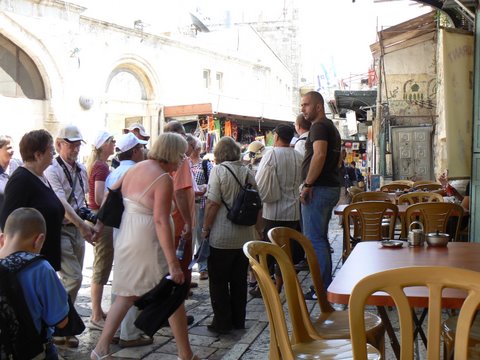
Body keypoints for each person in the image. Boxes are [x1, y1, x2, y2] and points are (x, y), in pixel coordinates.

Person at [91, 133, 198, 360]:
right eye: (180, 155)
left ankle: (101, 349)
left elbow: (112, 195)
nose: (182, 160)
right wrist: (173, 263)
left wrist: (99, 225)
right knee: (169, 292)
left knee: (127, 294)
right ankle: (185, 354)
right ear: (170, 153)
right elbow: (160, 220)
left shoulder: (134, 169)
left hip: (128, 236)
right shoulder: (163, 179)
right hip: (146, 241)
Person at [201, 136, 261, 334]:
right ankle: (238, 320)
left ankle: (222, 322)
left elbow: (212, 203)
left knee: (218, 281)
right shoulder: (247, 172)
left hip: (222, 236)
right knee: (239, 280)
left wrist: (206, 228)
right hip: (244, 236)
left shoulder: (218, 171)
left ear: (219, 153)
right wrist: (258, 230)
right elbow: (257, 203)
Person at [44, 125, 96, 348]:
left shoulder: (82, 169)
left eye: (77, 144)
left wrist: (89, 221)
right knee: (73, 278)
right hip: (61, 229)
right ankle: (56, 324)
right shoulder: (52, 170)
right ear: (59, 144)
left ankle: (62, 327)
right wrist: (83, 226)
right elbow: (62, 203)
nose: (75, 148)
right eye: (71, 144)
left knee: (73, 279)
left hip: (76, 228)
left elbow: (80, 201)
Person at [103, 132, 152, 348]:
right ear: (134, 151)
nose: (143, 151)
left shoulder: (114, 173)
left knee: (120, 279)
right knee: (134, 281)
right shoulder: (136, 171)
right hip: (133, 230)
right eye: (140, 148)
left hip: (118, 231)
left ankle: (115, 331)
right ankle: (129, 333)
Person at [0, 207, 69, 359]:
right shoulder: (41, 268)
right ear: (39, 240)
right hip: (33, 351)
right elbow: (61, 321)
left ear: (1, 238)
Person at [0, 130, 65, 271]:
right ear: (38, 155)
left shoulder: (40, 177)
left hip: (44, 260)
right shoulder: (21, 180)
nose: (54, 154)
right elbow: (8, 223)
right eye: (51, 150)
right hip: (29, 265)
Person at [299, 91, 341, 291]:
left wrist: (308, 184)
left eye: (306, 104)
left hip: (319, 189)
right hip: (328, 187)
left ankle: (322, 288)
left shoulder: (318, 127)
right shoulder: (330, 127)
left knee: (315, 239)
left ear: (318, 106)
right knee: (320, 239)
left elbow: (319, 154)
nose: (302, 108)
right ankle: (324, 285)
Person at [254, 124, 303, 296]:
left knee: (269, 251)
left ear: (276, 137)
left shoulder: (271, 155)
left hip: (273, 210)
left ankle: (268, 286)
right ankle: (282, 283)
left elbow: (259, 183)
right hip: (293, 212)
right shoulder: (298, 156)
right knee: (286, 251)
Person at [86, 130, 116, 331]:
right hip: (101, 218)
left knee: (103, 264)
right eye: (111, 141)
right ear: (103, 145)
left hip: (100, 218)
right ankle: (96, 314)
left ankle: (97, 311)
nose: (114, 144)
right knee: (102, 265)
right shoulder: (101, 167)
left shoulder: (100, 165)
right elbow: (98, 198)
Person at [164, 122, 195, 290]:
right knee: (180, 269)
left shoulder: (166, 157)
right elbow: (180, 192)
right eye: (183, 134)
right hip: (178, 221)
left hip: (170, 219)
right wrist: (188, 222)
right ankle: (176, 311)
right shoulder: (180, 159)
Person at [188, 136, 211, 281]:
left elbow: (211, 183)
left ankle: (203, 267)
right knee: (188, 237)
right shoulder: (185, 164)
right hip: (189, 204)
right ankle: (188, 268)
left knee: (201, 236)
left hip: (201, 204)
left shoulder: (205, 164)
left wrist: (204, 189)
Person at [0, 135, 21, 213]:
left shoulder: (18, 165)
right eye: (9, 148)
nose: (12, 150)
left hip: (18, 218)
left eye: (12, 147)